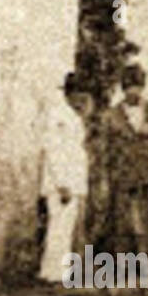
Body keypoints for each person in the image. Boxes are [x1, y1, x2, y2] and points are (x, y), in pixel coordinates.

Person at [107, 64, 148, 252]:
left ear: (142, 87)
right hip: (123, 176)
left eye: (137, 87)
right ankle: (125, 266)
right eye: (128, 88)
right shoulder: (113, 115)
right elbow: (107, 148)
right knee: (124, 222)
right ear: (123, 89)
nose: (133, 92)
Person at [38, 72, 92, 282]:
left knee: (65, 228)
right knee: (59, 227)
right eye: (79, 95)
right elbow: (53, 150)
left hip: (73, 181)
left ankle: (59, 272)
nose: (81, 100)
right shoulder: (58, 116)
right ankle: (53, 273)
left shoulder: (72, 116)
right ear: (69, 94)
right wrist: (62, 184)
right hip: (62, 184)